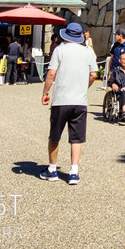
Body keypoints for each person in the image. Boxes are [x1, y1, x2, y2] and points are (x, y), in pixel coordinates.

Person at [40, 22, 98, 185]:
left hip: (61, 100)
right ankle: (73, 172)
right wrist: (84, 87)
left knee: (55, 135)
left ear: (66, 35)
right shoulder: (87, 53)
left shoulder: (59, 50)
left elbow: (51, 73)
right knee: (76, 138)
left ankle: (52, 169)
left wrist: (45, 92)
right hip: (80, 101)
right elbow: (94, 74)